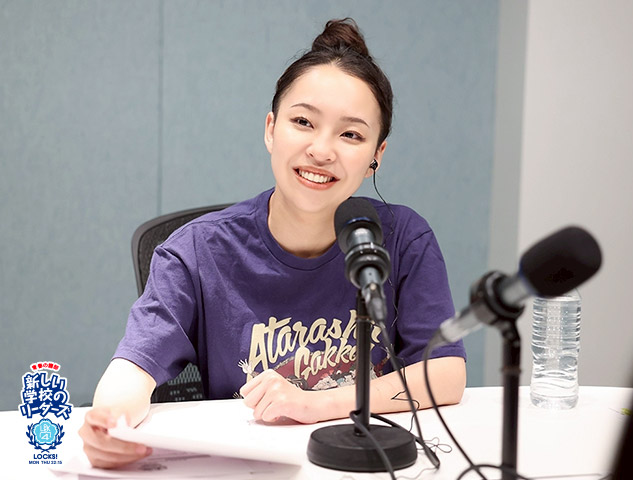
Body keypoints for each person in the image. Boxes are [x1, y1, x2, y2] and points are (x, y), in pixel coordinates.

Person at [79, 18, 466, 469]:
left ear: (376, 155)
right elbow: (133, 367)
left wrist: (318, 404)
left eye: (351, 134)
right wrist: (108, 424)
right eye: (303, 122)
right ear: (270, 129)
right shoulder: (197, 251)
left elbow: (445, 374)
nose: (322, 150)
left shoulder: (403, 239)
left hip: (366, 461)